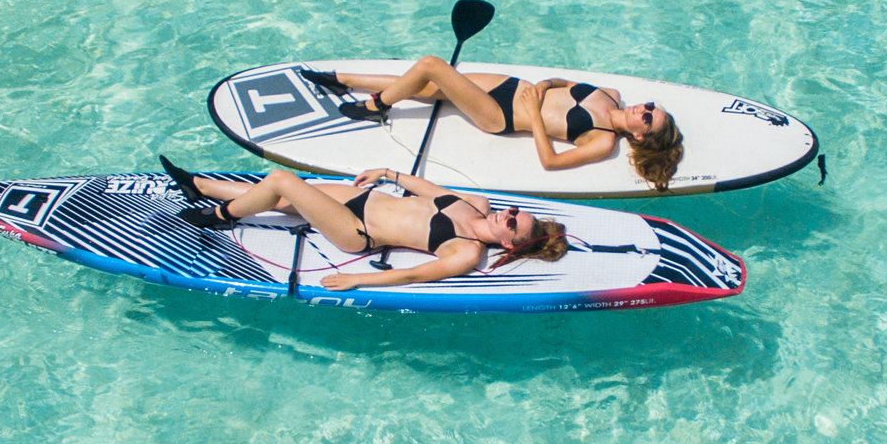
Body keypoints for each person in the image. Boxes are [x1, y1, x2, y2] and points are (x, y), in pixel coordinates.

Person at [157, 155, 569, 291]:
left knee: (285, 181)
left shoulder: (465, 250)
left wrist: (359, 281)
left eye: (513, 223)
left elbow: (415, 274)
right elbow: (427, 187)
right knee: (281, 198)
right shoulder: (476, 203)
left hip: (357, 232)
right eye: (515, 211)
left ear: (510, 244)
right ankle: (197, 184)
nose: (509, 214)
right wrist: (388, 174)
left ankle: (215, 216)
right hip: (363, 198)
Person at [304, 58, 685, 190]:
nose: (645, 108)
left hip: (500, 115)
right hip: (511, 86)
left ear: (639, 135)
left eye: (649, 118)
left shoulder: (603, 140)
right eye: (651, 106)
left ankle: (376, 105)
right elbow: (561, 83)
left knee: (432, 67)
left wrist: (534, 114)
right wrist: (543, 86)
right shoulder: (611, 93)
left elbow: (550, 162)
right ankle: (345, 79)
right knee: (431, 87)